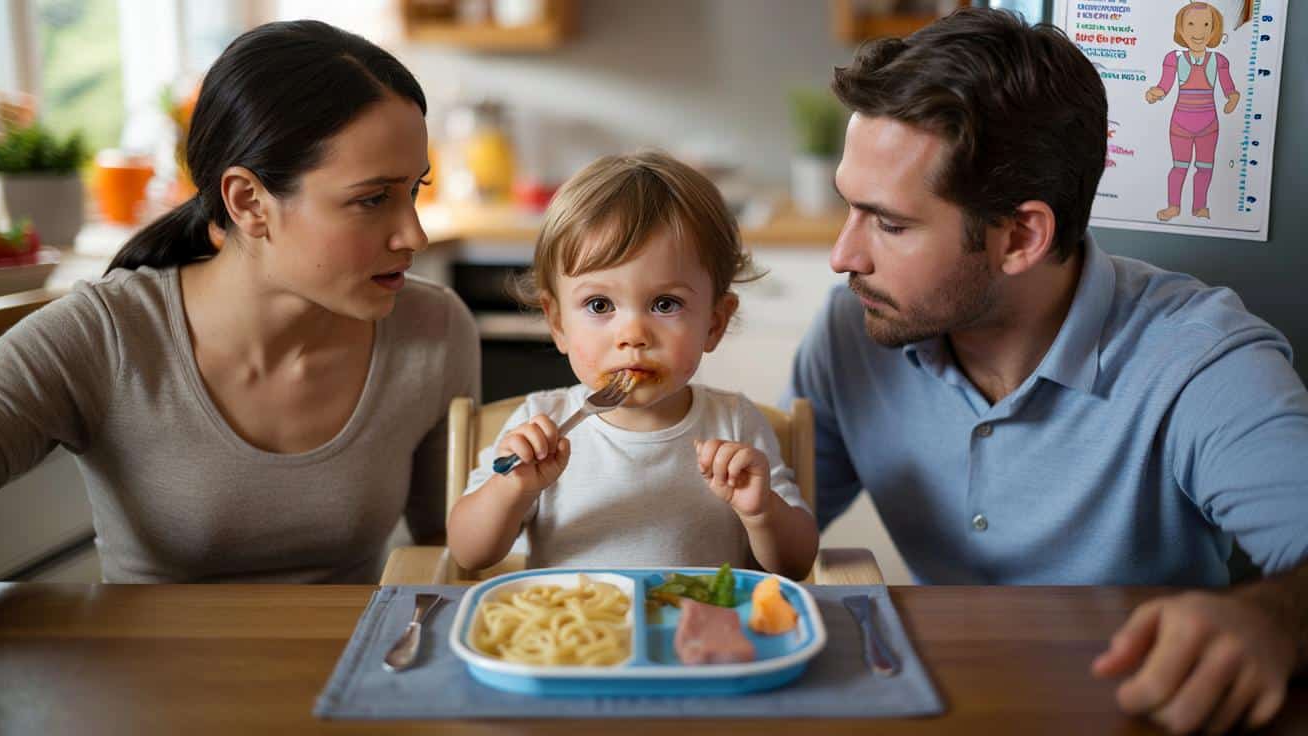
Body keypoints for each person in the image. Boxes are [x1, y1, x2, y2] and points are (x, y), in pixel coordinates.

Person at [786, 8, 1306, 733]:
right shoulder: (855, 328)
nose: (844, 256)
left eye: (890, 223)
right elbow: (770, 532)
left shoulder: (1199, 357)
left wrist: (1274, 618)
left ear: (1022, 236)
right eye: (849, 207)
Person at [0, 20, 479, 583]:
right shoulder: (105, 335)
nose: (414, 236)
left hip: (351, 667)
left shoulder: (435, 328)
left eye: (414, 190)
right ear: (249, 202)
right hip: (149, 672)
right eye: (372, 199)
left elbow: (451, 548)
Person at [447, 151, 818, 580]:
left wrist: (762, 512)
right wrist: (510, 490)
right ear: (557, 323)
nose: (633, 334)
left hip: (698, 640)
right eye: (599, 304)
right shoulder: (540, 423)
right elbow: (468, 553)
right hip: (577, 640)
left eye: (665, 304)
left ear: (714, 323)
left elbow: (796, 563)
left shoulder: (734, 424)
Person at [1145, 2, 1240, 222]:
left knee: (1205, 168)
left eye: (1206, 24)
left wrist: (1233, 99)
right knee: (1179, 167)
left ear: (1214, 29)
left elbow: (1230, 89)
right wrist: (1155, 93)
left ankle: (1200, 207)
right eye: (1191, 24)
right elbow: (1164, 86)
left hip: (1209, 125)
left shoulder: (1219, 61)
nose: (1199, 32)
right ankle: (1173, 207)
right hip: (1180, 124)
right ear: (1181, 29)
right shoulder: (1174, 59)